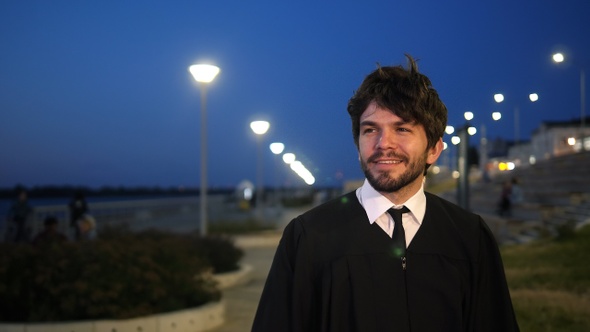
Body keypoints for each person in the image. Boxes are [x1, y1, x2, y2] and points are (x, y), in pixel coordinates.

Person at [252, 55, 519, 331]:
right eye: (370, 130)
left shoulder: (469, 237)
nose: (383, 144)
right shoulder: (308, 237)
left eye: (402, 129)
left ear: (434, 150)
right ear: (358, 145)